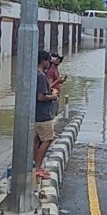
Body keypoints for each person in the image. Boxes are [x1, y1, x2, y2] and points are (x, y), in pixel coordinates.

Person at [35, 50, 59, 179]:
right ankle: (37, 167)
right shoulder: (41, 76)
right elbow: (41, 97)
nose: (50, 64)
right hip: (43, 114)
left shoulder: (36, 74)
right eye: (48, 61)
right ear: (43, 61)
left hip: (36, 113)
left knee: (36, 140)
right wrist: (53, 96)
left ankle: (35, 166)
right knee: (47, 139)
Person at [47, 53, 67, 117]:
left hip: (57, 95)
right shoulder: (50, 71)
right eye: (57, 59)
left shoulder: (55, 69)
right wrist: (58, 80)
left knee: (55, 112)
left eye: (59, 59)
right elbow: (49, 86)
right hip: (52, 96)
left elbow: (57, 82)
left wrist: (61, 81)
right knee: (52, 114)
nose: (59, 60)